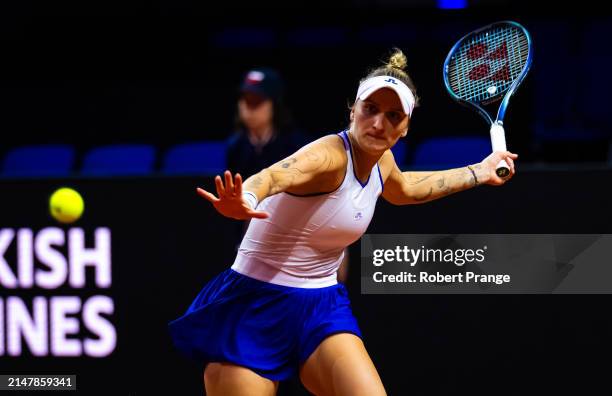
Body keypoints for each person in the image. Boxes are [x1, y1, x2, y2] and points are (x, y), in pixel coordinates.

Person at [168, 48, 518, 396]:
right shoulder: (327, 156)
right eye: (370, 109)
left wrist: (480, 171)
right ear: (353, 109)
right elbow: (271, 178)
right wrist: (244, 199)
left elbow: (406, 189)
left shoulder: (383, 163)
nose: (379, 123)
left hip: (321, 307)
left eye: (393, 115)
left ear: (406, 127)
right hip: (254, 304)